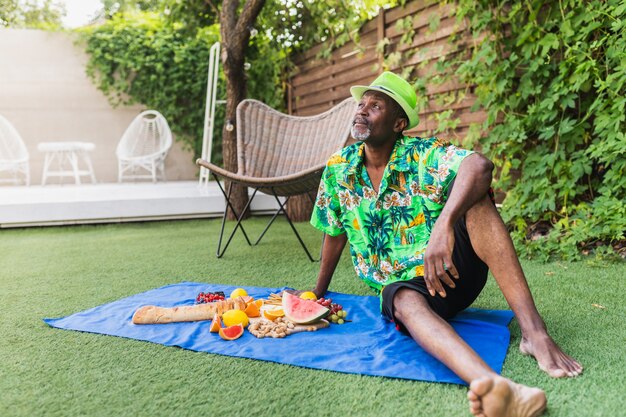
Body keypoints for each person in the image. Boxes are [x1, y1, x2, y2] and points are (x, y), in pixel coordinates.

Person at [308, 72, 582, 417]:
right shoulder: (338, 169)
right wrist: (316, 293)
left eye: (375, 106)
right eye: (361, 104)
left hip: (451, 271)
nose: (362, 110)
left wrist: (444, 224)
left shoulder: (422, 154)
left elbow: (480, 165)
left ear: (398, 123)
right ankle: (497, 389)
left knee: (479, 201)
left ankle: (535, 334)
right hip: (405, 287)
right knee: (401, 297)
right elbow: (334, 232)